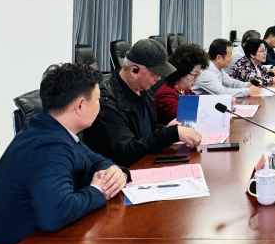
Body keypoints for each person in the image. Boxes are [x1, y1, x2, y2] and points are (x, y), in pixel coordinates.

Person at [0, 63, 129, 244]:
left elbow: (94, 160)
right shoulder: (48, 146)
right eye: (98, 99)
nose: (100, 105)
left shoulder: (51, 127)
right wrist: (98, 190)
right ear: (80, 105)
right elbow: (55, 214)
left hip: (42, 241)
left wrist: (114, 172)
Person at [84, 38, 202, 167]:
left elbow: (145, 133)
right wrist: (169, 134)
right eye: (154, 73)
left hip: (144, 164)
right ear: (134, 70)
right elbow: (127, 152)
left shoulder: (142, 90)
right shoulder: (106, 102)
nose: (159, 78)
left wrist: (167, 129)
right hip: (121, 171)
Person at [154, 43, 210, 125]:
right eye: (195, 75)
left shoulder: (184, 91)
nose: (196, 79)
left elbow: (202, 105)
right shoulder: (165, 94)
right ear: (182, 72)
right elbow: (184, 118)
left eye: (198, 75)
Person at [194, 38, 262, 98]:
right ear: (219, 58)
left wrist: (248, 84)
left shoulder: (218, 69)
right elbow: (222, 92)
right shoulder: (207, 72)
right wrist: (247, 91)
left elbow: (232, 83)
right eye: (229, 55)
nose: (231, 58)